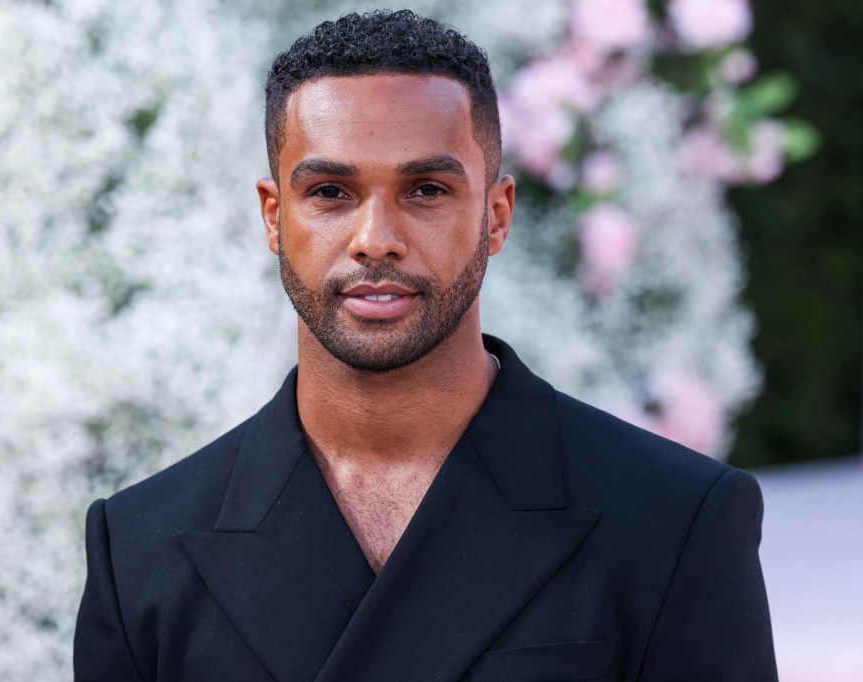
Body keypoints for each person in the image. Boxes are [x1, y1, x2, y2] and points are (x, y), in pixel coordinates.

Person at [74, 10, 777, 681]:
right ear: (273, 215)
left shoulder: (677, 523)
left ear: (496, 216)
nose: (375, 237)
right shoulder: (138, 548)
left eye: (427, 189)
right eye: (329, 192)